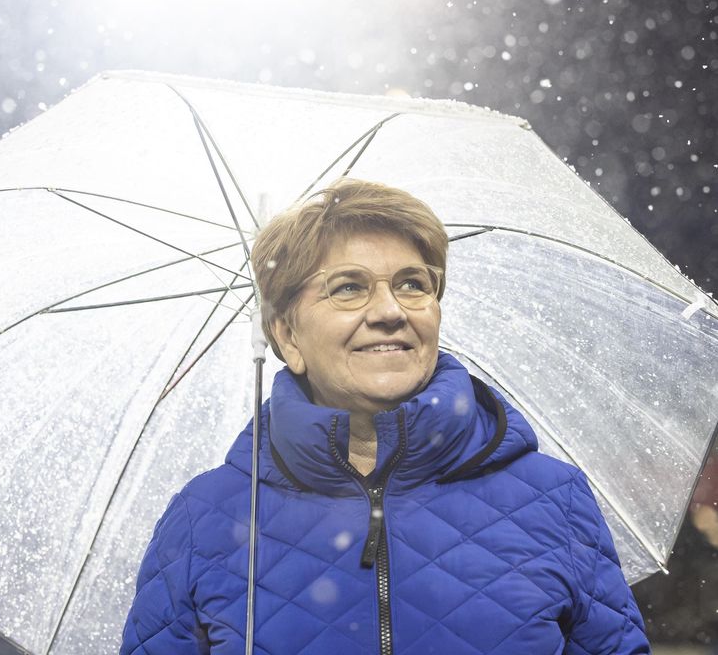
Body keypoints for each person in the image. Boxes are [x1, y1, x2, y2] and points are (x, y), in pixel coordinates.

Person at [120, 178, 650, 654]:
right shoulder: (206, 517)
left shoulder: (554, 499)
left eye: (413, 284)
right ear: (285, 335)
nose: (391, 311)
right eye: (348, 287)